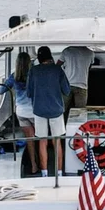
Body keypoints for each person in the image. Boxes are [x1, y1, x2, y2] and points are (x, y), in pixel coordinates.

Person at [27, 46, 70, 177]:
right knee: (57, 141)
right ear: (50, 56)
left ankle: (44, 173)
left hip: (39, 110)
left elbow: (29, 93)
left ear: (39, 58)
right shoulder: (57, 70)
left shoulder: (33, 71)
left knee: (42, 141)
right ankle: (59, 173)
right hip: (56, 110)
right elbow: (67, 90)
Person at [0, 52, 38, 174]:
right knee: (40, 137)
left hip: (21, 112)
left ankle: (33, 165)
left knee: (29, 139)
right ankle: (42, 162)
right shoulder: (34, 75)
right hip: (35, 112)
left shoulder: (14, 77)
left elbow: (1, 90)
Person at [57, 46, 94, 121]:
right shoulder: (90, 53)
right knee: (81, 112)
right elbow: (89, 66)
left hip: (67, 85)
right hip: (82, 85)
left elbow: (57, 66)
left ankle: (62, 126)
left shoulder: (66, 51)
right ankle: (78, 126)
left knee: (62, 110)